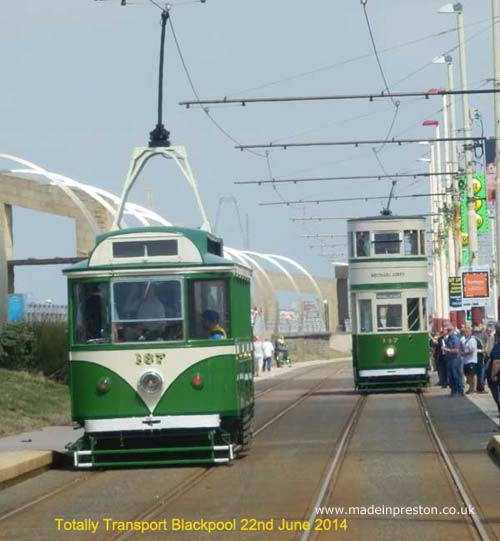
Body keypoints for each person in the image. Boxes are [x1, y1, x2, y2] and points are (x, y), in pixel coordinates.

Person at [443, 324, 464, 396]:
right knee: (450, 375)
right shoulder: (448, 338)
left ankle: (459, 390)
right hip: (449, 359)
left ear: (453, 330)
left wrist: (447, 349)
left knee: (456, 375)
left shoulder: (455, 339)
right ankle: (453, 390)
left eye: (449, 330)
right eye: (447, 330)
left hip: (455, 359)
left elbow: (457, 350)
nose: (448, 331)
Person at [487, 326, 500, 416]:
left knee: (497, 393)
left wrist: (493, 375)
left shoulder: (498, 346)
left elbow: (496, 362)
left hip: (497, 375)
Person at [461, 326, 477, 394]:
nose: (465, 333)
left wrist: (464, 353)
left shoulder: (472, 340)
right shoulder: (466, 340)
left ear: (470, 332)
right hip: (466, 361)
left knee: (472, 375)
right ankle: (470, 388)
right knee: (468, 375)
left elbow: (472, 350)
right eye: (464, 332)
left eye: (466, 332)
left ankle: (473, 388)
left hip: (471, 360)